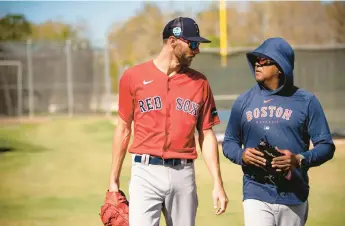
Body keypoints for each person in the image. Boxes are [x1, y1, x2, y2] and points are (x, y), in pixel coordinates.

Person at [108, 17, 228, 226]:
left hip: (183, 173)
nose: (197, 49)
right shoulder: (133, 76)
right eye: (192, 43)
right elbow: (123, 129)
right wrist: (113, 181)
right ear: (173, 41)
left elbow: (207, 134)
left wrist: (218, 183)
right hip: (145, 173)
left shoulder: (200, 83)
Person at [222, 37, 335, 226]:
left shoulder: (307, 101)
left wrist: (298, 159)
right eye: (256, 59)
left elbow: (326, 146)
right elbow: (229, 142)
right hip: (255, 192)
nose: (258, 63)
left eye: (265, 60)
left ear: (281, 67)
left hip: (294, 194)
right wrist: (242, 155)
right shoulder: (243, 102)